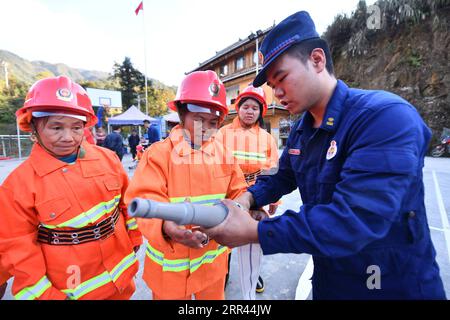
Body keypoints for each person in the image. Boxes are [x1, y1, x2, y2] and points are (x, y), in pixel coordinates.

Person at [203, 11, 446, 300]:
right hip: (330, 280)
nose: (277, 93)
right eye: (272, 86)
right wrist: (249, 197)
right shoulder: (301, 130)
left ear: (317, 60)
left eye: (282, 78)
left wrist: (257, 231)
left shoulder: (384, 117)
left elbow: (355, 219)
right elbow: (282, 177)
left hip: (392, 286)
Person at [0, 76, 142, 300]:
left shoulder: (108, 160)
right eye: (56, 127)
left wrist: (134, 238)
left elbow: (128, 204)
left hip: (122, 285)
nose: (68, 137)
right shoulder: (17, 187)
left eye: (76, 127)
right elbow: (18, 251)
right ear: (33, 128)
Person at [124, 70, 248, 300]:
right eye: (198, 120)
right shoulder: (157, 155)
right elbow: (143, 198)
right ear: (182, 114)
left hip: (212, 265)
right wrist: (165, 226)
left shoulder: (224, 155)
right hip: (169, 269)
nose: (205, 129)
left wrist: (250, 209)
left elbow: (239, 191)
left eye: (213, 122)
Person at [217, 85, 279, 299]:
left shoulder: (267, 138)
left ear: (261, 111)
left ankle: (254, 273)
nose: (250, 111)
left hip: (257, 197)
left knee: (252, 238)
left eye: (255, 107)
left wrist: (275, 200)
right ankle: (222, 273)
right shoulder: (223, 133)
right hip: (227, 196)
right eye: (246, 106)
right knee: (224, 238)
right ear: (238, 107)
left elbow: (273, 170)